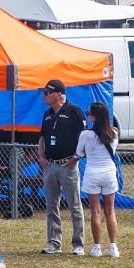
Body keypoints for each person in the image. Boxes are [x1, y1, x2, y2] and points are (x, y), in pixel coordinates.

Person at [37, 79, 86, 256]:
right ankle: (54, 242)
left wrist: (76, 158)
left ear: (58, 94)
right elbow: (42, 137)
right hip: (51, 165)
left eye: (47, 92)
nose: (44, 95)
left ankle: (78, 244)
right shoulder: (47, 114)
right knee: (51, 206)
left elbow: (84, 138)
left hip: (68, 165)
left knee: (74, 205)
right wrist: (41, 157)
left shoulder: (74, 111)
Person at [77, 101, 119, 257]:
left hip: (92, 173)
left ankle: (97, 247)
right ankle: (113, 247)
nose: (88, 116)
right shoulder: (114, 132)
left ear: (93, 117)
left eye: (89, 114)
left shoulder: (86, 134)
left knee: (95, 211)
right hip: (109, 172)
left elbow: (79, 152)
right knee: (110, 211)